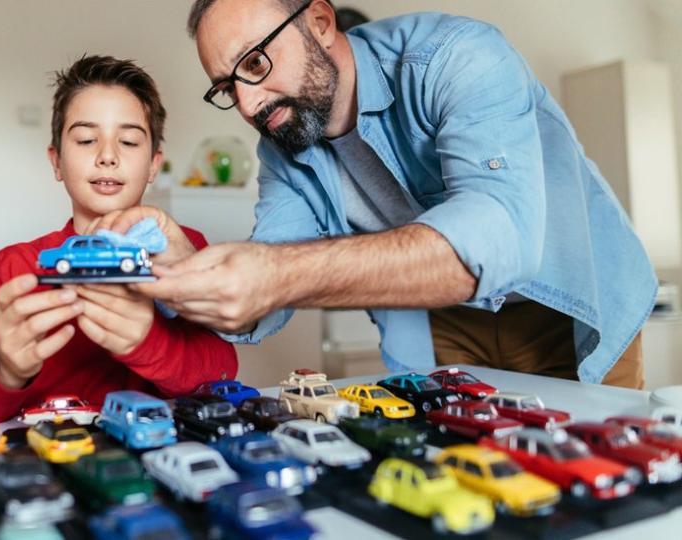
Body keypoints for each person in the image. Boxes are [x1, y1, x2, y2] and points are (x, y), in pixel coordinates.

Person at [98, 0, 656, 388]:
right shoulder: (282, 147)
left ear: (318, 22)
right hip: (444, 323)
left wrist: (275, 273)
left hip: (567, 304)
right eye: (228, 86)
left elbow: (498, 236)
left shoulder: (455, 56)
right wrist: (186, 272)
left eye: (255, 63)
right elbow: (268, 281)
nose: (248, 104)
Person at [0, 55, 238, 423]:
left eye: (128, 141)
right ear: (56, 162)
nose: (108, 156)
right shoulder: (12, 267)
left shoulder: (185, 249)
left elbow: (223, 375)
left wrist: (148, 342)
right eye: (85, 139)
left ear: (153, 165)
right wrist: (7, 370)